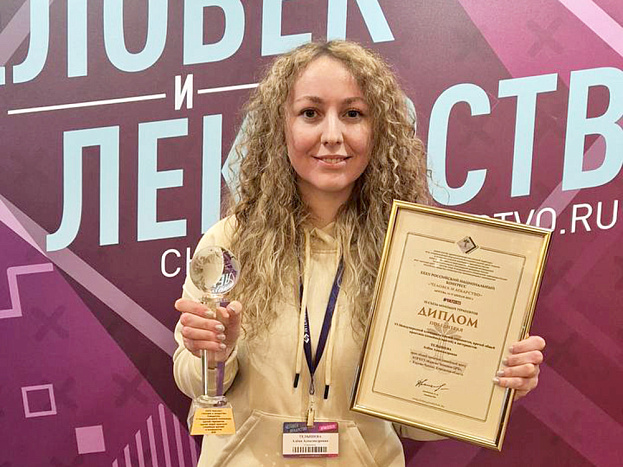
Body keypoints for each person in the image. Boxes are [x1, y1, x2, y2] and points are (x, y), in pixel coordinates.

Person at [173, 40, 545, 466]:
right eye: (310, 113)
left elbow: (414, 423)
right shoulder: (229, 244)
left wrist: (490, 381)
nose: (332, 136)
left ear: (377, 129)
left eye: (353, 114)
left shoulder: (413, 252)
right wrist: (214, 355)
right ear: (281, 126)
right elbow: (192, 381)